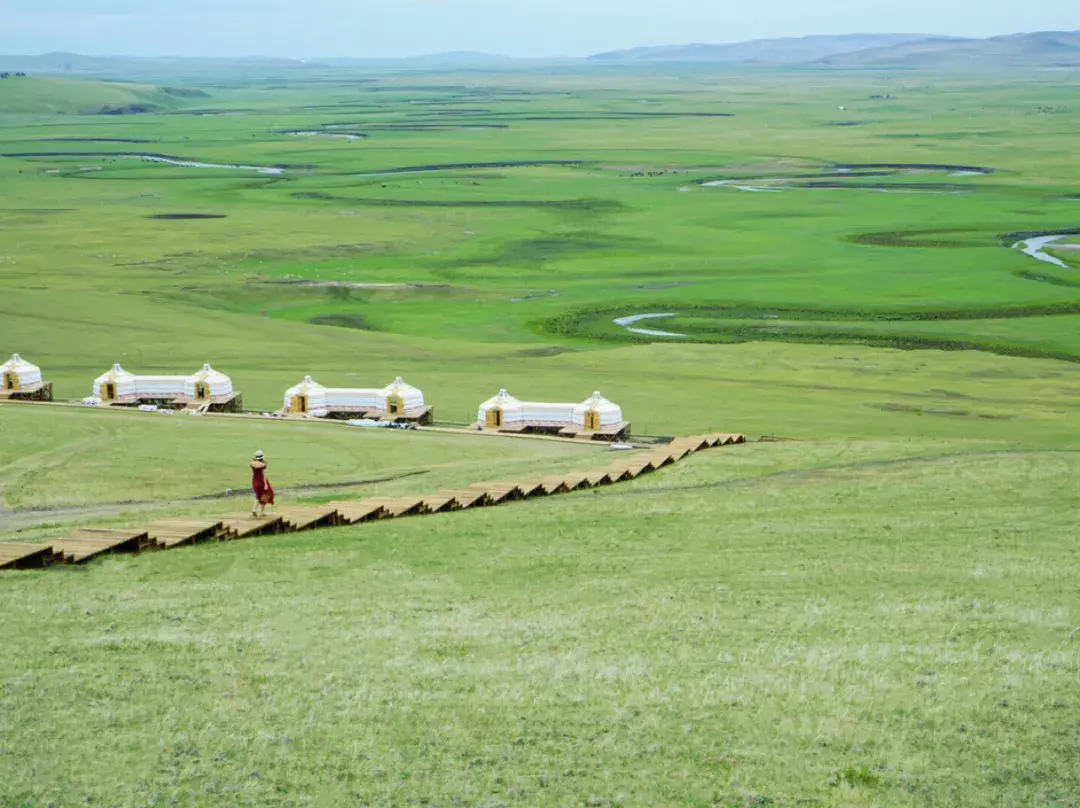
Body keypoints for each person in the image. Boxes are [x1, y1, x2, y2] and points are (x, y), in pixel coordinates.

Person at [251, 450, 275, 517]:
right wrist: (266, 484)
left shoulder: (252, 463)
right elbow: (264, 475)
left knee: (258, 496)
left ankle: (254, 509)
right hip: (262, 482)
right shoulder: (263, 465)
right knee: (266, 495)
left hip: (255, 481)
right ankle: (262, 512)